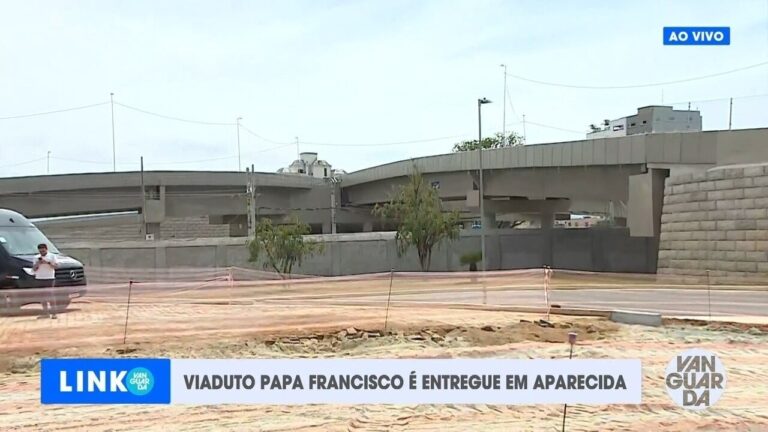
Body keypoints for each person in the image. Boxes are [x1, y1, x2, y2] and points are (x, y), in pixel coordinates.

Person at [33, 243, 59, 319]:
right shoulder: (36, 257)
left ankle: (54, 313)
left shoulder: (52, 256)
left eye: (43, 251)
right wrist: (38, 263)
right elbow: (34, 269)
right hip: (39, 278)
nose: (42, 253)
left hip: (49, 277)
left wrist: (47, 262)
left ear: (46, 249)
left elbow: (56, 266)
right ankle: (45, 313)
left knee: (50, 295)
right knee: (42, 296)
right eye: (41, 251)